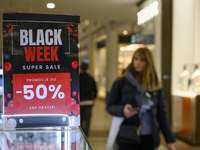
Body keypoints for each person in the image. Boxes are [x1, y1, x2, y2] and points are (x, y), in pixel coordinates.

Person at [106, 47, 176, 150]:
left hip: (149, 137)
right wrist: (122, 110)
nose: (138, 63)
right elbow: (109, 106)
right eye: (136, 59)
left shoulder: (154, 85)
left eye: (142, 60)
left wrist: (169, 140)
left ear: (148, 63)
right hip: (127, 136)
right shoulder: (121, 82)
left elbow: (162, 115)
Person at [79, 62, 97, 137]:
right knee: (87, 119)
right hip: (88, 101)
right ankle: (86, 135)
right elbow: (95, 90)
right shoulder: (91, 79)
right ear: (87, 68)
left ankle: (80, 134)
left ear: (80, 68)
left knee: (80, 119)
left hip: (79, 102)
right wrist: (94, 99)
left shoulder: (77, 78)